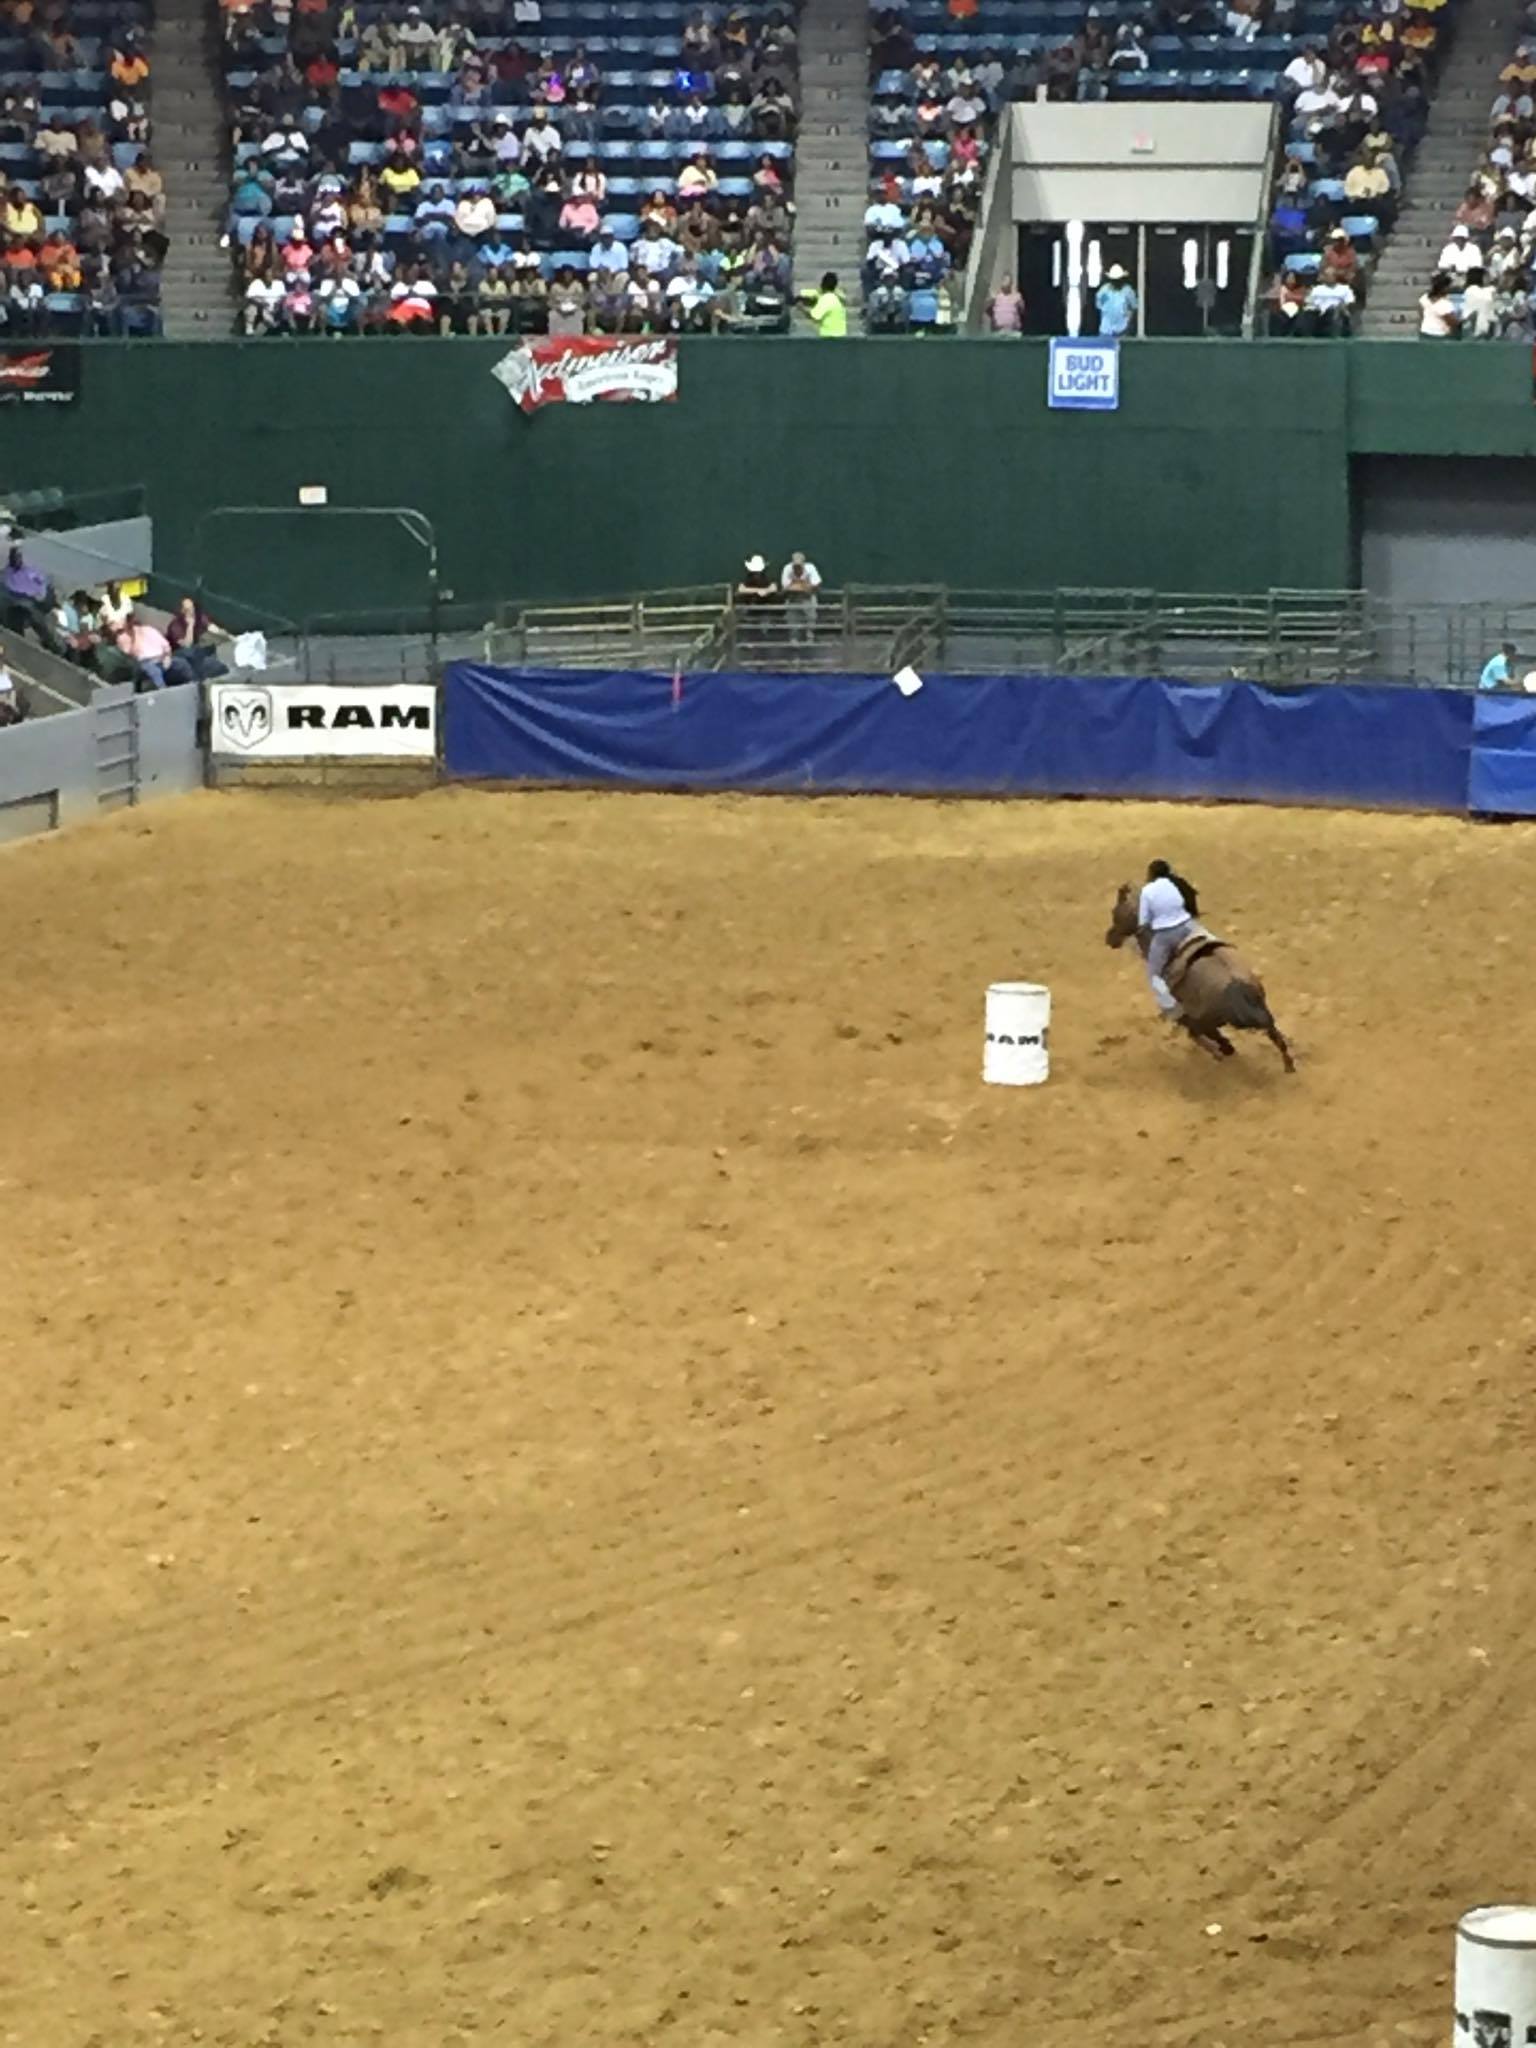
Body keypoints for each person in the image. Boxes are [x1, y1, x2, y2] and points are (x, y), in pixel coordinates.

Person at [1137, 858, 1206, 1020]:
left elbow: (1143, 922)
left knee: (1154, 975)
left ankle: (1171, 1009)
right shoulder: (1174, 883)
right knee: (1208, 939)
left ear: (1151, 874)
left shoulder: (1147, 891)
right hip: (1188, 926)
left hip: (1166, 935)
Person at [799, 270, 847, 337]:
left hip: (829, 337)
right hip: (841, 335)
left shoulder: (826, 299)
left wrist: (801, 308)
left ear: (822, 284)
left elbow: (814, 317)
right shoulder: (837, 296)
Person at [1095, 263, 1137, 338]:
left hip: (1122, 330)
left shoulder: (1128, 291)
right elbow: (1099, 306)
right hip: (1106, 330)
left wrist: (1129, 325)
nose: (1116, 281)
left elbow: (1133, 308)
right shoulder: (1105, 291)